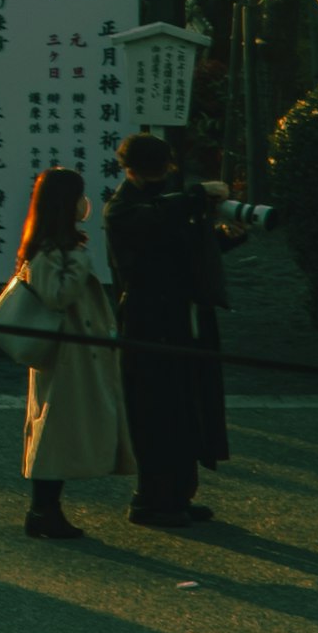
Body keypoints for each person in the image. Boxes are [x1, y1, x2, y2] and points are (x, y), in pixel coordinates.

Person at [0, 166, 128, 538]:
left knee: (59, 430)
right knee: (55, 431)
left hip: (74, 354)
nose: (85, 203)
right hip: (65, 356)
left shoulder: (57, 247)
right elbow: (57, 296)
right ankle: (42, 510)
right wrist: (80, 263)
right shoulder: (51, 251)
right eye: (79, 195)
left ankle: (46, 510)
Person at [108, 127, 238, 530]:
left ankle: (179, 494)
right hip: (148, 320)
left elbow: (177, 241)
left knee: (185, 407)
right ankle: (152, 498)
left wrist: (226, 238)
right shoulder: (125, 208)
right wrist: (194, 199)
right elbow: (152, 224)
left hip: (178, 316)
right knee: (156, 412)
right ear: (131, 170)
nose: (159, 174)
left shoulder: (157, 200)